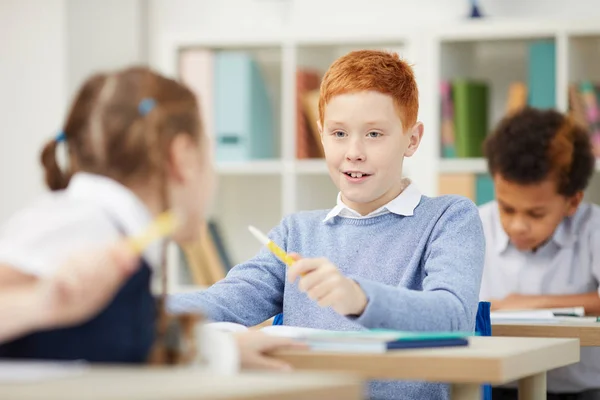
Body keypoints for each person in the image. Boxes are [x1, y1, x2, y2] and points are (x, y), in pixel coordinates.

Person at [169, 49, 486, 400]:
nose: (354, 151)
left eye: (374, 134)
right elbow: (225, 301)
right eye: (338, 134)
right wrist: (133, 310)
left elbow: (453, 316)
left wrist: (360, 298)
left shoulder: (450, 218)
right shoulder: (297, 233)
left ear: (412, 139)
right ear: (321, 135)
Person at [0, 66, 301, 371]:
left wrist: (215, 350)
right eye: (208, 152)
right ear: (183, 157)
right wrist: (41, 303)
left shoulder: (115, 230)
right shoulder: (85, 222)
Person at [479, 107, 600, 399]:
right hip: (497, 385)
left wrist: (530, 304)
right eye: (506, 208)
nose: (518, 226)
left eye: (536, 214)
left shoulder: (593, 228)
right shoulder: (473, 226)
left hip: (581, 390)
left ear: (572, 202)